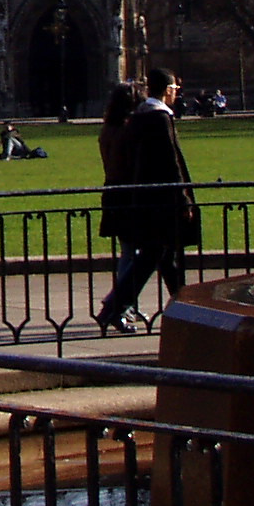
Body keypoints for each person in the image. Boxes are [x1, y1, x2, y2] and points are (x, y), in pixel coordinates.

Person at [96, 69, 198, 334]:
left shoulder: (139, 119)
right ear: (166, 89)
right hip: (161, 201)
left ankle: (186, 308)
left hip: (146, 199)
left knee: (163, 257)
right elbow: (170, 162)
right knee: (154, 256)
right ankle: (114, 308)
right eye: (175, 88)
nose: (177, 92)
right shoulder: (159, 117)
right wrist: (184, 198)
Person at [96, 83, 150, 332]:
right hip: (129, 193)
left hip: (114, 191)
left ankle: (126, 303)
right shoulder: (127, 130)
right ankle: (117, 307)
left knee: (131, 252)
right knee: (132, 253)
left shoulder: (108, 128)